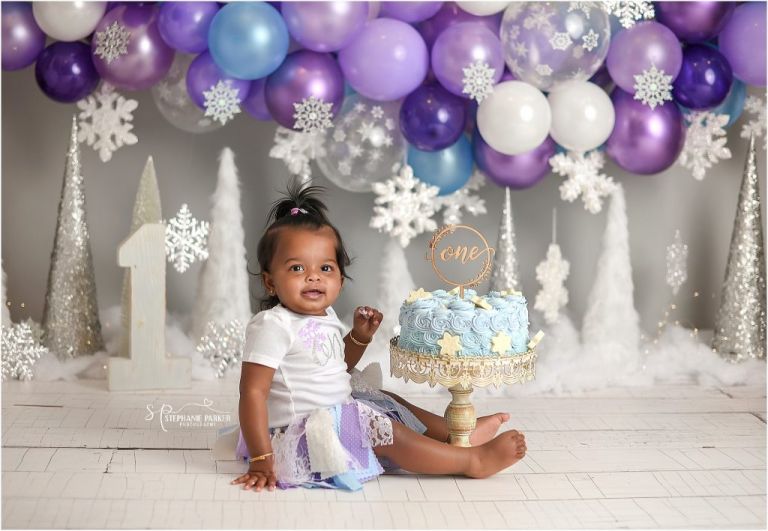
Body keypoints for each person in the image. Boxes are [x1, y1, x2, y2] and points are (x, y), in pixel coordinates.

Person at [228, 182, 526, 492]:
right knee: (387, 433)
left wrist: (358, 337)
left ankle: (454, 434)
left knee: (386, 401)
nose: (313, 276)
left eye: (326, 267)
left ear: (340, 280)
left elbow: (338, 367)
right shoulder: (272, 325)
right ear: (270, 281)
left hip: (336, 411)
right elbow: (252, 393)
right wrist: (261, 457)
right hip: (306, 432)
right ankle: (470, 461)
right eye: (297, 267)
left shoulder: (325, 316)